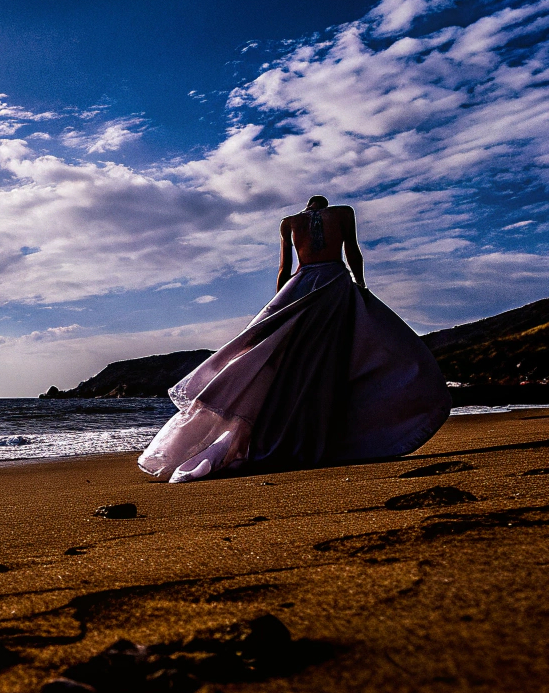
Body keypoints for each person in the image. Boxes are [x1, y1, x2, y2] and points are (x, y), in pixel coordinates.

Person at [138, 196, 451, 482]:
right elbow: (352, 251)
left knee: (289, 364)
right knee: (338, 359)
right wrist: (361, 286)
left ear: (307, 207)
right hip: (334, 286)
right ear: (324, 205)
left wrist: (280, 308)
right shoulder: (343, 212)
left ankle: (283, 435)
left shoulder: (290, 221)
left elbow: (284, 269)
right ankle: (323, 437)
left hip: (302, 286)